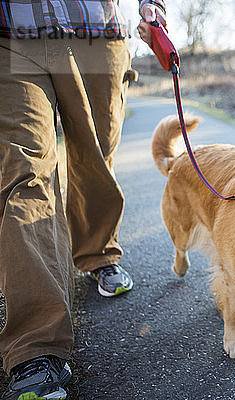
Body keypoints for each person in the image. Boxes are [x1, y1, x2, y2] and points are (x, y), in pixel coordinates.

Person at [0, 1, 165, 398]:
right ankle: (35, 344)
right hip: (11, 33)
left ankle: (98, 253)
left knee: (97, 159)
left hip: (96, 31)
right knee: (25, 175)